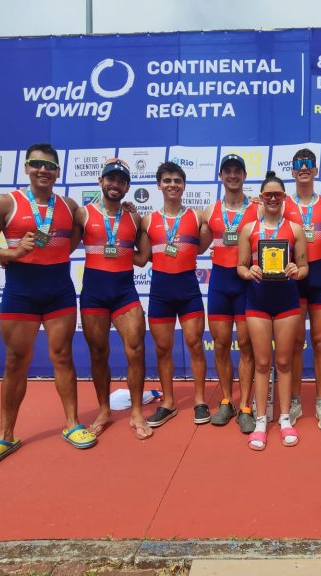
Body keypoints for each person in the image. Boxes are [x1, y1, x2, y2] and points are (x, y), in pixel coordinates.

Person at [0, 143, 96, 469]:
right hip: (21, 293)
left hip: (59, 291)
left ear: (58, 171)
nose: (43, 170)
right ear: (26, 167)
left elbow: (81, 232)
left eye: (50, 166)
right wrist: (11, 254)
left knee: (63, 356)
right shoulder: (6, 202)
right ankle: (5, 435)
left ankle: (72, 424)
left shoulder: (68, 206)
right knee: (16, 361)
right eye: (37, 164)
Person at [76, 158, 151, 440]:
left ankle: (137, 413)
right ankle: (104, 411)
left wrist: (120, 249)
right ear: (101, 181)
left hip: (124, 293)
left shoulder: (134, 218)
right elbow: (59, 247)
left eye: (121, 181)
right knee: (98, 353)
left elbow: (142, 259)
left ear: (127, 187)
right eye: (111, 179)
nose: (115, 184)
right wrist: (16, 258)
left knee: (136, 349)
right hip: (94, 295)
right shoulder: (82, 214)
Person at [236, 172, 308, 450]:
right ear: (261, 198)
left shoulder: (295, 229)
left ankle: (286, 419)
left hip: (287, 302)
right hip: (258, 302)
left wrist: (296, 270)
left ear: (284, 197)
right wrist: (249, 271)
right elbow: (240, 266)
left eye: (278, 194)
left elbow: (304, 267)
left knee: (285, 362)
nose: (274, 198)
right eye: (269, 195)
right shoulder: (248, 229)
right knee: (262, 363)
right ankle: (261, 421)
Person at [141, 161, 209, 427]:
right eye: (167, 180)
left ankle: (200, 400)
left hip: (188, 290)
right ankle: (168, 402)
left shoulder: (197, 217)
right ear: (159, 185)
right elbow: (142, 257)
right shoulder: (148, 220)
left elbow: (203, 247)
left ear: (184, 185)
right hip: (160, 292)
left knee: (195, 344)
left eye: (177, 181)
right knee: (162, 348)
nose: (172, 185)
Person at [200, 154, 258, 433]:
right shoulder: (208, 211)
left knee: (247, 346)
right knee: (221, 345)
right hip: (220, 285)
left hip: (247, 285)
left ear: (244, 176)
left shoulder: (257, 209)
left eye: (238, 171)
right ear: (220, 176)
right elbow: (193, 244)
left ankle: (245, 405)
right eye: (228, 171)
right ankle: (226, 401)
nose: (233, 176)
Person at [282, 149, 321, 430]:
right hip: (294, 279)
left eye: (308, 164)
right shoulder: (283, 203)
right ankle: (294, 401)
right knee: (294, 343)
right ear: (292, 171)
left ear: (315, 170)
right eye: (298, 164)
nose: (303, 168)